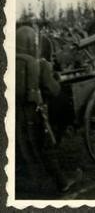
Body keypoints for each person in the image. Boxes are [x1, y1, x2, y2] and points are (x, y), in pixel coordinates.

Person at [16, 26, 82, 196]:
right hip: (35, 115)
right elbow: (54, 90)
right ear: (32, 44)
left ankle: (30, 180)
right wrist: (54, 79)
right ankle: (63, 183)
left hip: (16, 115)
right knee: (47, 149)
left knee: (24, 147)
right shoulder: (37, 64)